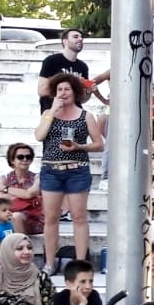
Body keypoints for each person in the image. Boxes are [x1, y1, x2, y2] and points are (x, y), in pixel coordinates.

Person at [35, 73, 103, 270]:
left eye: (66, 89)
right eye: (59, 90)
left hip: (77, 170)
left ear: (74, 92)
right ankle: (49, 263)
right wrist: (52, 112)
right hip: (51, 169)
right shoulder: (49, 113)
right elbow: (39, 136)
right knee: (51, 218)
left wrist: (79, 147)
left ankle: (80, 262)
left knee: (79, 217)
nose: (63, 93)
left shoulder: (85, 116)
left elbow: (99, 144)